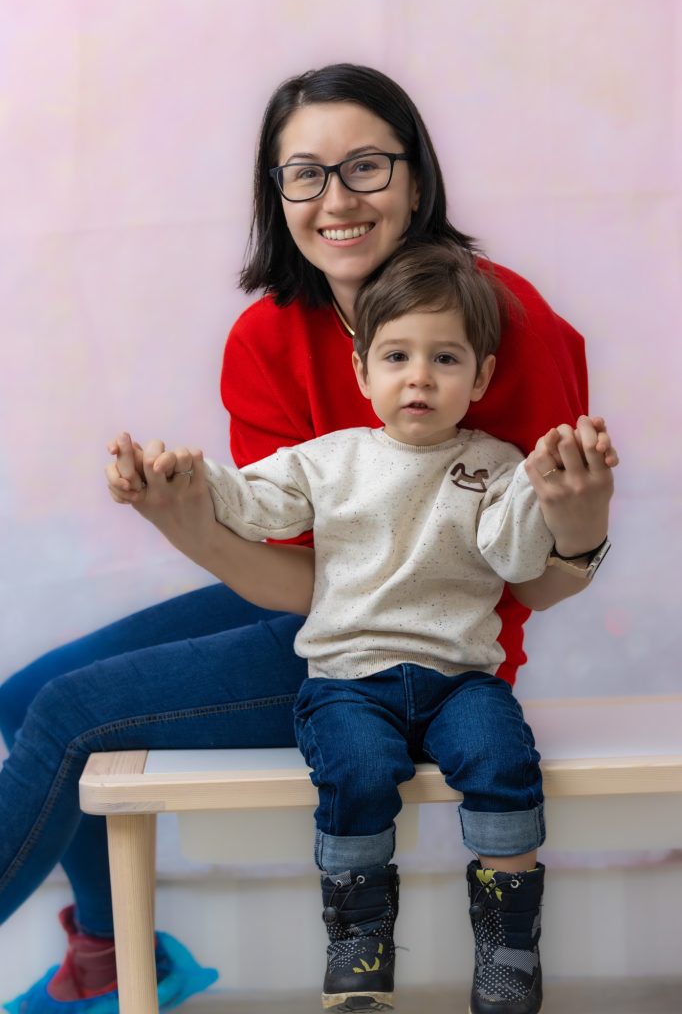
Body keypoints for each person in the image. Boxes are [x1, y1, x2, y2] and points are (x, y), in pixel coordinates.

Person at [0, 63, 616, 1014]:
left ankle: (112, 961)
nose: (337, 200)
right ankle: (110, 955)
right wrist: (187, 518)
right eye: (305, 174)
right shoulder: (265, 338)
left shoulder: (508, 322)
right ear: (276, 192)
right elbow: (294, 574)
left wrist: (581, 526)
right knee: (24, 698)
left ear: (417, 177)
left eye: (366, 166)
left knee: (69, 714)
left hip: (425, 643)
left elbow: (532, 578)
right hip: (322, 603)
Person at [148, 242, 613, 1014]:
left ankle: (508, 946)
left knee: (502, 758)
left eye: (445, 358)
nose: (420, 377)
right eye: (397, 356)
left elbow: (512, 554)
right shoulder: (329, 460)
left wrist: (547, 488)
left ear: (481, 378)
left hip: (461, 679)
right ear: (363, 372)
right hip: (350, 679)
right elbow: (255, 502)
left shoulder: (497, 466)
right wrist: (190, 481)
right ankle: (359, 944)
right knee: (357, 771)